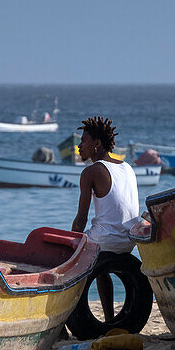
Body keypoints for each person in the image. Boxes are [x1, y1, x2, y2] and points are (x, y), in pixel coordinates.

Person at [71, 115, 140, 322]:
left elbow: (81, 219)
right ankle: (110, 318)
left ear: (97, 143)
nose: (79, 147)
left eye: (83, 141)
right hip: (129, 241)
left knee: (72, 250)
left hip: (106, 240)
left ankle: (62, 321)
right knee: (99, 264)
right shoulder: (127, 168)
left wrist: (70, 246)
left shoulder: (91, 172)